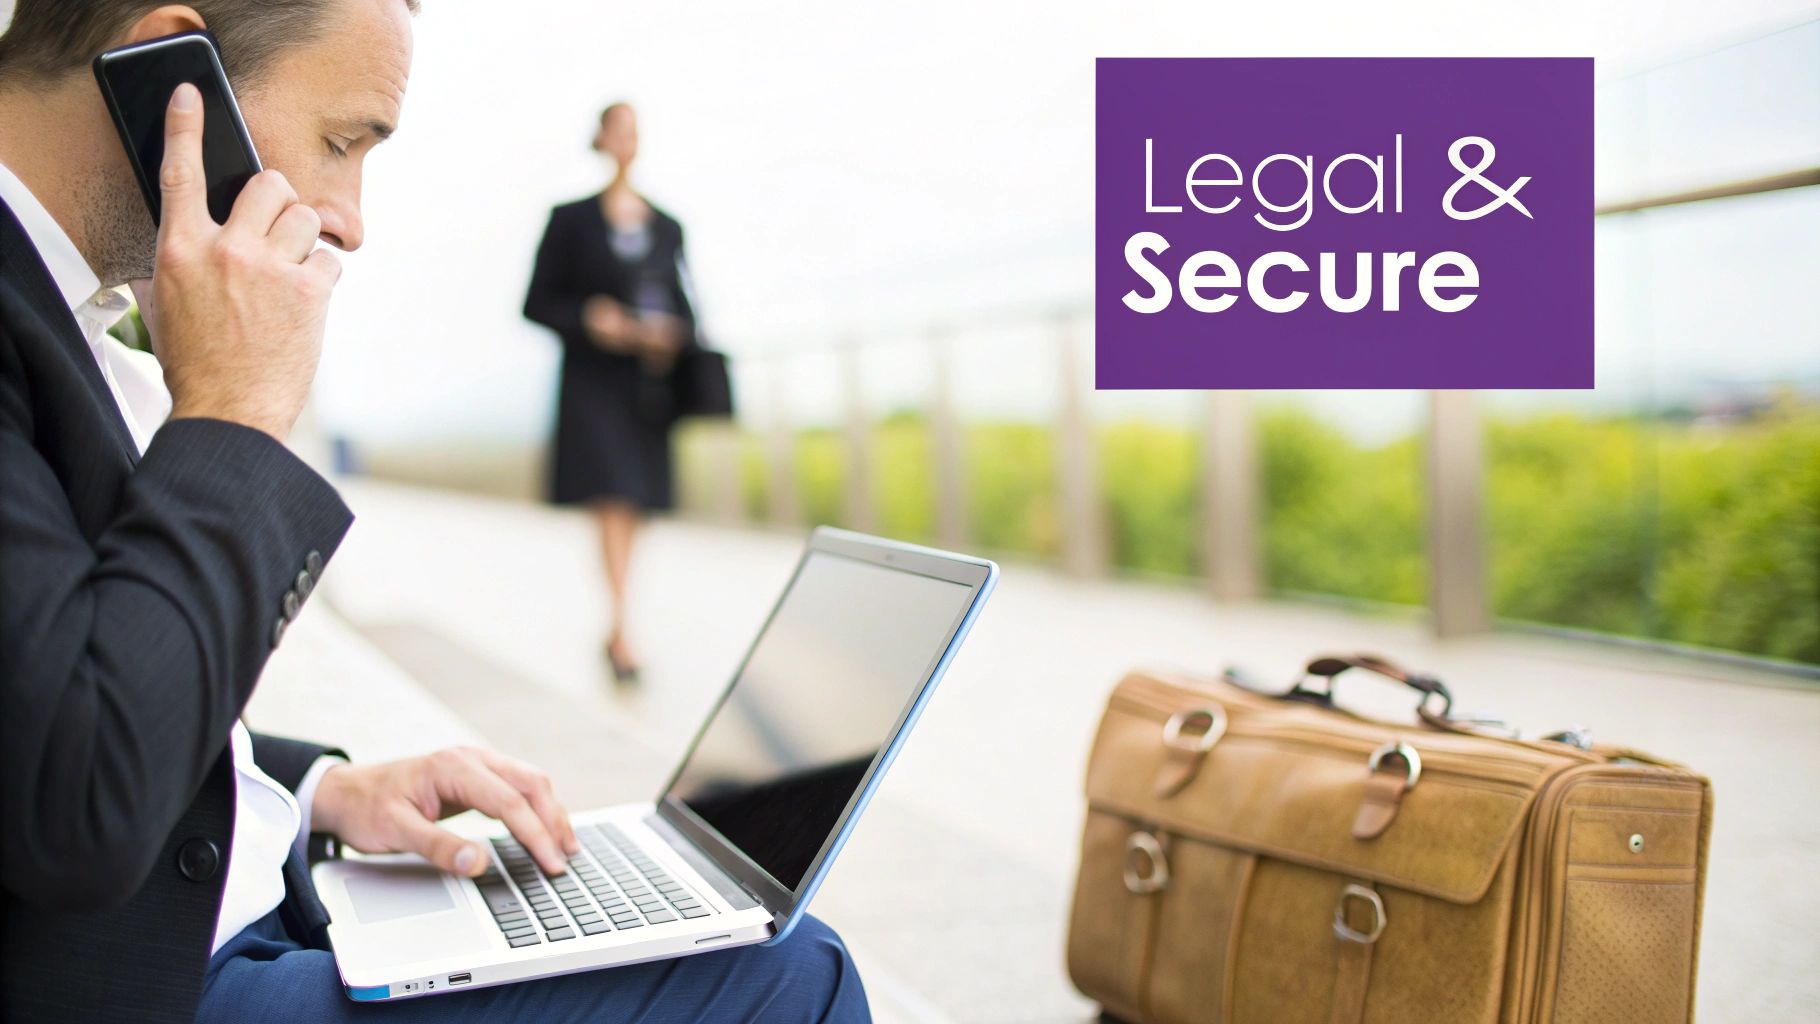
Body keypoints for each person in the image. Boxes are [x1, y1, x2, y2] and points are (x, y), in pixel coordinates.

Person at [0, 3, 867, 1022]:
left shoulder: (62, 313)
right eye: (340, 141)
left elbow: (45, 693)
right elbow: (79, 805)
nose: (349, 220)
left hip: (211, 914)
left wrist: (317, 792)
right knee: (793, 973)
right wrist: (233, 410)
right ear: (164, 66)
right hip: (151, 979)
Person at [524, 101, 696, 684]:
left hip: (646, 388)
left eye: (634, 131)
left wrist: (666, 334)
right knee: (612, 498)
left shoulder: (666, 226)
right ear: (600, 139)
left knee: (636, 503)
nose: (626, 141)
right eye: (617, 130)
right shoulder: (570, 220)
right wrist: (591, 318)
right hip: (592, 384)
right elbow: (536, 302)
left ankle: (620, 619)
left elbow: (686, 308)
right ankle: (622, 629)